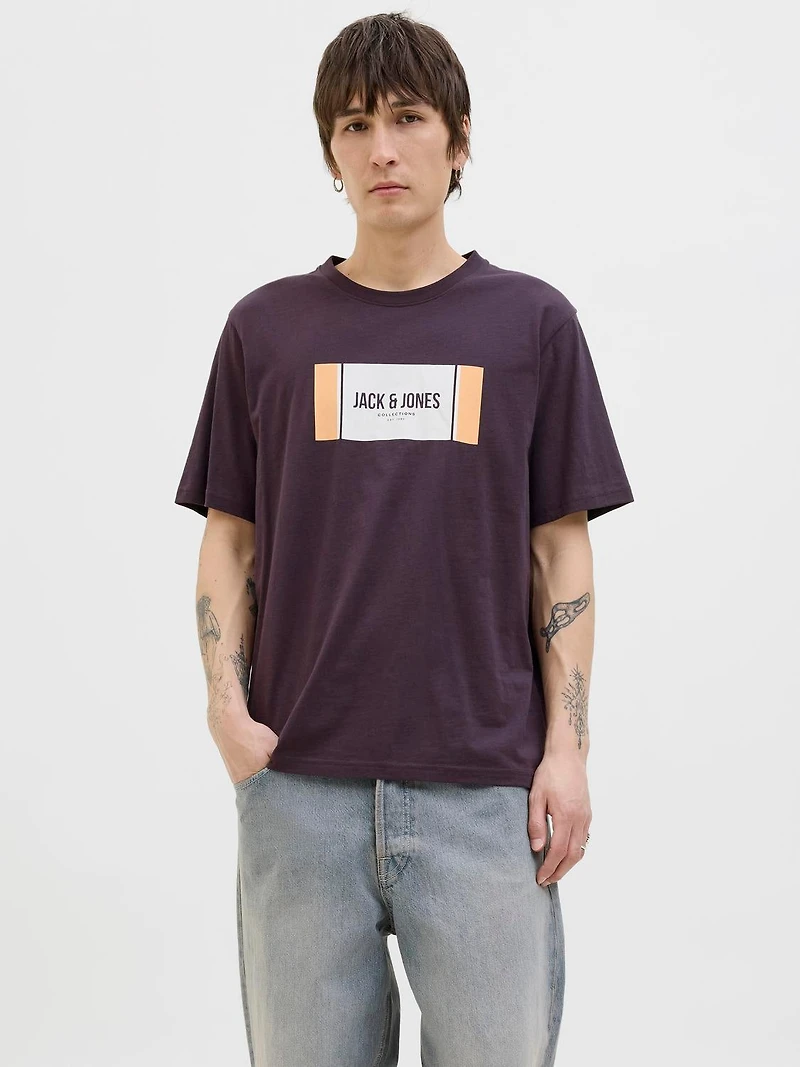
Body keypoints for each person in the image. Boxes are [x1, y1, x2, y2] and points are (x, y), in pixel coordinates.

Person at [174, 12, 634, 1067]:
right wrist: (225, 709)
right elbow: (230, 538)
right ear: (329, 153)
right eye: (354, 125)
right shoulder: (266, 330)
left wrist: (567, 749)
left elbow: (558, 550)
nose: (382, 148)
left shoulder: (531, 325)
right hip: (299, 790)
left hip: (485, 795)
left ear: (457, 139)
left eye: (408, 118)